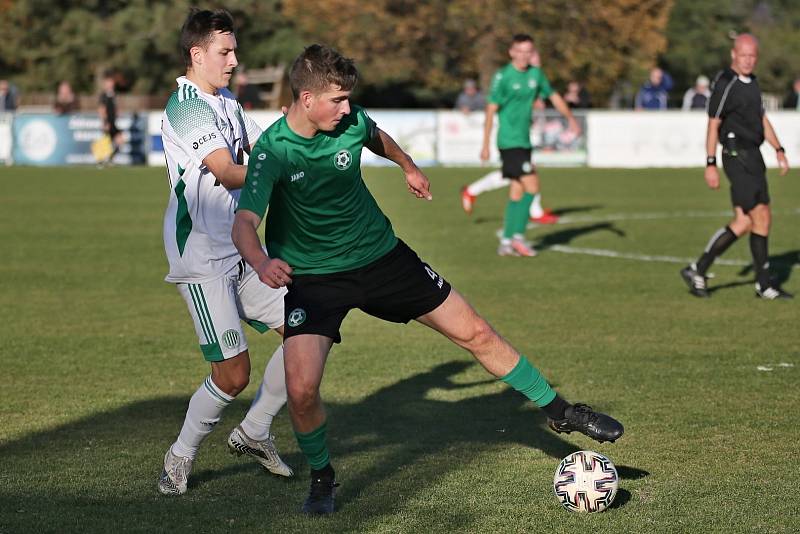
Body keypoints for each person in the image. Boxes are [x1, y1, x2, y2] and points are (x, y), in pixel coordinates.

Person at [232, 43, 624, 515]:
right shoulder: (273, 150)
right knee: (301, 389)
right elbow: (244, 224)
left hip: (383, 258)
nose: (346, 108)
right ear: (306, 98)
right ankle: (323, 476)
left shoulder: (350, 119)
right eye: (336, 99)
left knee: (476, 331)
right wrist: (259, 262)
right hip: (315, 279)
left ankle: (561, 412)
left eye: (347, 99)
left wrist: (408, 166)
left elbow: (377, 137)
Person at [157, 8, 294, 496]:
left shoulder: (229, 103)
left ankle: (254, 431)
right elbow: (231, 170)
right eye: (225, 51)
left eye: (234, 50)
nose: (235, 60)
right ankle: (180, 456)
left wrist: (292, 137)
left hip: (240, 243)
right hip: (201, 251)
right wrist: (284, 160)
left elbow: (261, 150)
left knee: (306, 328)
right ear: (197, 55)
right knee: (233, 373)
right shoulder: (185, 107)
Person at [680, 34, 792, 300]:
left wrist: (779, 149)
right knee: (759, 215)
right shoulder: (725, 83)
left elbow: (761, 118)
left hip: (754, 156)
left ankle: (698, 269)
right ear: (733, 54)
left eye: (753, 56)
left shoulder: (752, 82)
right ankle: (763, 284)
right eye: (743, 55)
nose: (748, 60)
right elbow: (713, 124)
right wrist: (710, 163)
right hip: (735, 155)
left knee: (746, 221)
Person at [478, 34, 581, 256]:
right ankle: (518, 237)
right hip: (509, 141)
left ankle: (506, 242)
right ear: (511, 52)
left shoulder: (536, 74)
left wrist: (571, 119)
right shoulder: (503, 76)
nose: (524, 55)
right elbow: (490, 109)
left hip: (524, 141)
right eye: (520, 51)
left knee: (517, 191)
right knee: (532, 186)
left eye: (528, 51)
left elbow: (554, 97)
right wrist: (485, 143)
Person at [98, 72, 123, 163]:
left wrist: (117, 112)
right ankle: (102, 160)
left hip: (113, 123)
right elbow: (101, 110)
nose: (111, 84)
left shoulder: (113, 95)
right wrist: (105, 122)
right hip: (107, 123)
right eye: (109, 82)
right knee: (106, 144)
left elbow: (115, 107)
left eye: (111, 82)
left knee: (120, 141)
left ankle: (109, 159)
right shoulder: (103, 96)